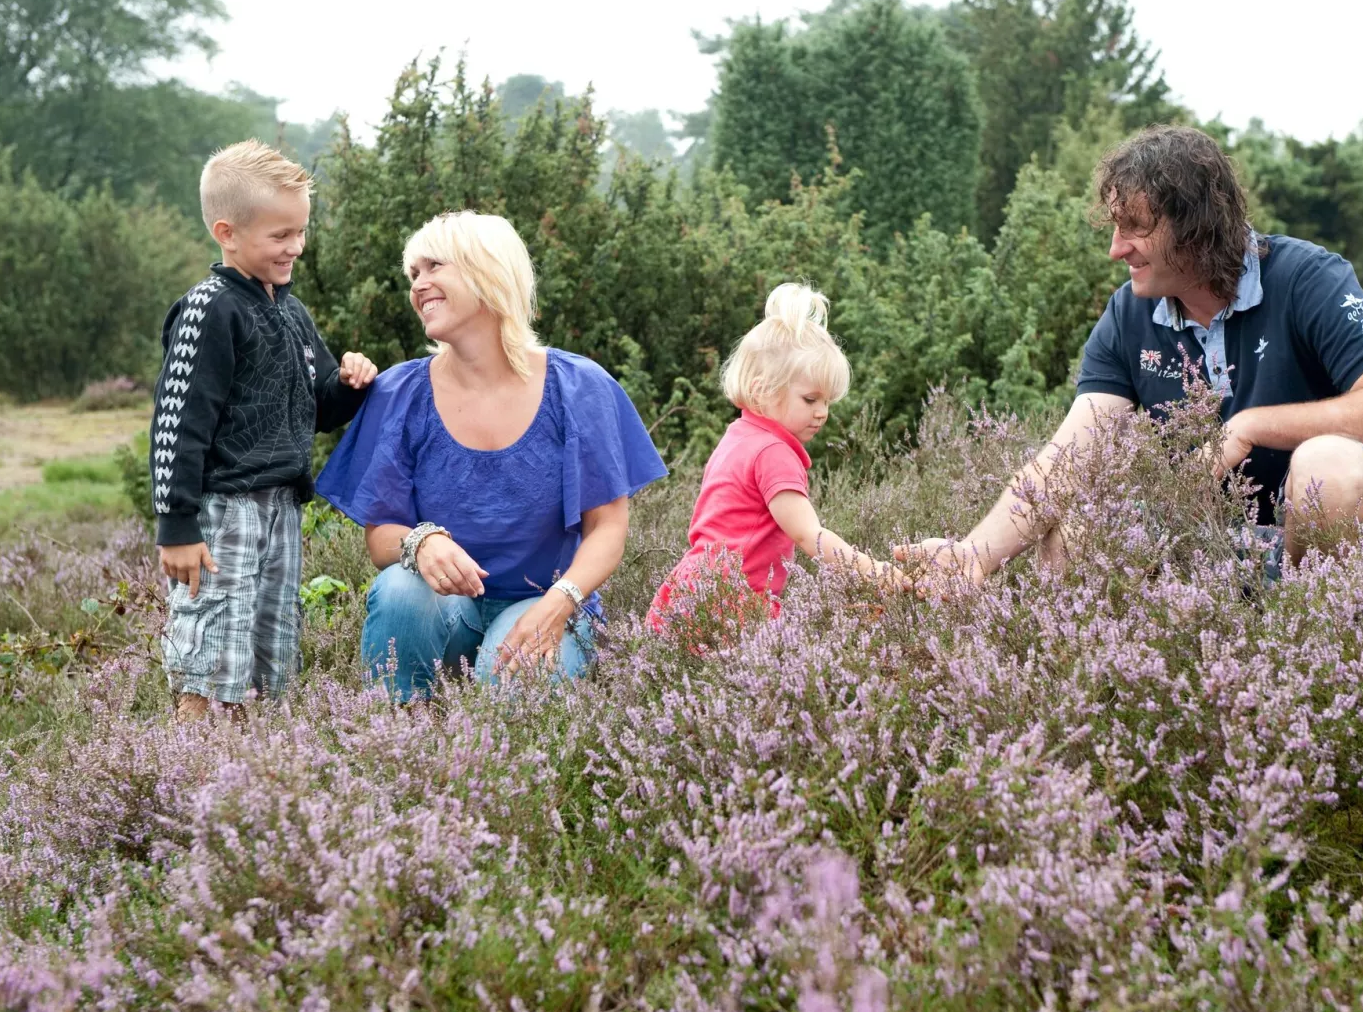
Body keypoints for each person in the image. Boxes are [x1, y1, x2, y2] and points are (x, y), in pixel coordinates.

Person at [896, 124, 1363, 584]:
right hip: (1225, 544)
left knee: (1329, 466)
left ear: (1197, 227)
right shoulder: (1129, 316)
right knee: (1080, 526)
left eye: (1134, 227)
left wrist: (1251, 425)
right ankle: (1113, 693)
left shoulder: (1307, 279)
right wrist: (971, 558)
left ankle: (1329, 647)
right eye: (1115, 227)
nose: (1116, 248)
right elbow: (1066, 461)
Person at [316, 210, 667, 702]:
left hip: (544, 600)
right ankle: (400, 731)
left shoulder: (579, 387)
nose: (419, 285)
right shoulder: (400, 392)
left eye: (435, 266)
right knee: (399, 587)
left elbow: (607, 528)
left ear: (488, 271)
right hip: (445, 606)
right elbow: (380, 539)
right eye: (413, 274)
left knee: (510, 696)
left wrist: (560, 602)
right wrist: (422, 542)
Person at [152, 140, 379, 724]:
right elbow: (178, 422)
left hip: (281, 505)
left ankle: (247, 790)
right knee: (211, 660)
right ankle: (187, 776)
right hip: (222, 510)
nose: (296, 246)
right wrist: (176, 523)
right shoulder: (208, 309)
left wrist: (351, 384)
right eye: (280, 235)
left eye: (300, 232)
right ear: (227, 232)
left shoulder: (291, 312)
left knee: (266, 663)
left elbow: (319, 409)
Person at [648, 283, 907, 634]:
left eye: (827, 401)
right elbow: (808, 535)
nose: (822, 413)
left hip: (690, 591)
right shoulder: (773, 453)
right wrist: (873, 571)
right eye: (810, 399)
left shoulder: (738, 436)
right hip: (730, 604)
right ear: (761, 389)